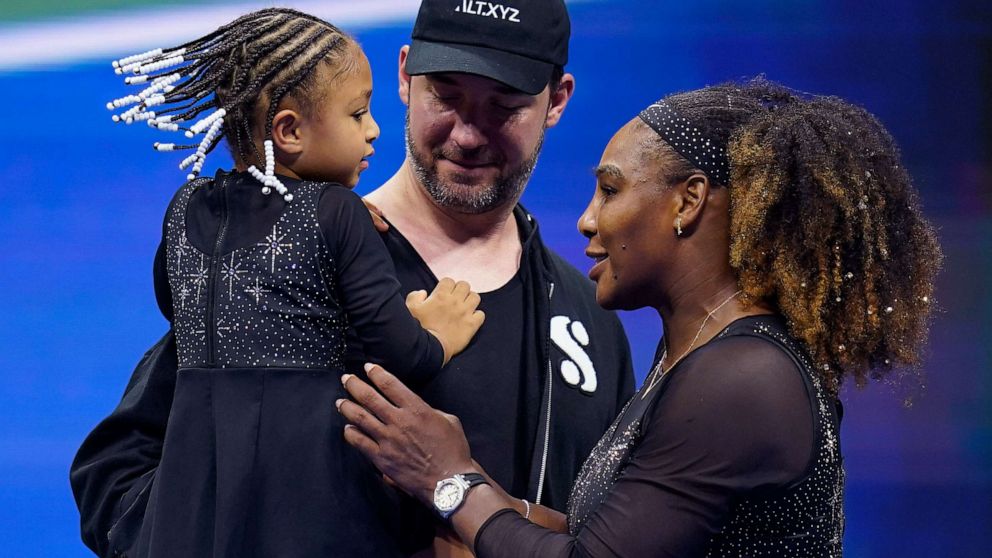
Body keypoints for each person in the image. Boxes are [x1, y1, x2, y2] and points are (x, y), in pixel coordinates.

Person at [337, 78, 942, 557]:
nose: (587, 220)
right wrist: (462, 495)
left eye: (610, 190)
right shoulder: (697, 356)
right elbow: (599, 538)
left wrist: (450, 478)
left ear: (688, 201)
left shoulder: (742, 378)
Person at [71, 8, 485, 557]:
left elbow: (175, 307)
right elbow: (398, 356)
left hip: (190, 513)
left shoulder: (185, 206)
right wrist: (435, 336)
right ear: (289, 131)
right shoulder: (338, 213)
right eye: (358, 112)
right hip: (312, 508)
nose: (374, 129)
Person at [349, 0, 635, 553]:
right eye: (447, 97)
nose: (467, 135)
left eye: (503, 107)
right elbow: (144, 470)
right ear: (405, 76)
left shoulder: (589, 317)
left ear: (557, 101)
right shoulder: (295, 265)